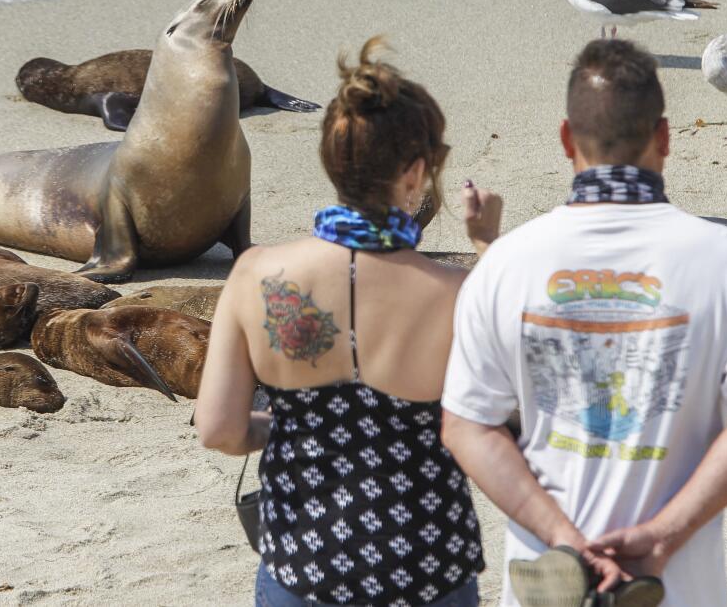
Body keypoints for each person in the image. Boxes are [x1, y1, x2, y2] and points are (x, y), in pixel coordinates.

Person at [440, 39, 727, 607]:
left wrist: (564, 538)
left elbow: (466, 428)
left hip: (551, 583)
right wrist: (661, 536)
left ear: (565, 139)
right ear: (665, 138)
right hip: (674, 585)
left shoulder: (506, 262)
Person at [196, 36, 502, 607]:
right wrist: (489, 251)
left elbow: (220, 430)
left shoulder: (255, 274)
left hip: (304, 564)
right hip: (426, 566)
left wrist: (290, 425)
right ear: (414, 174)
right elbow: (507, 421)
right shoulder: (460, 293)